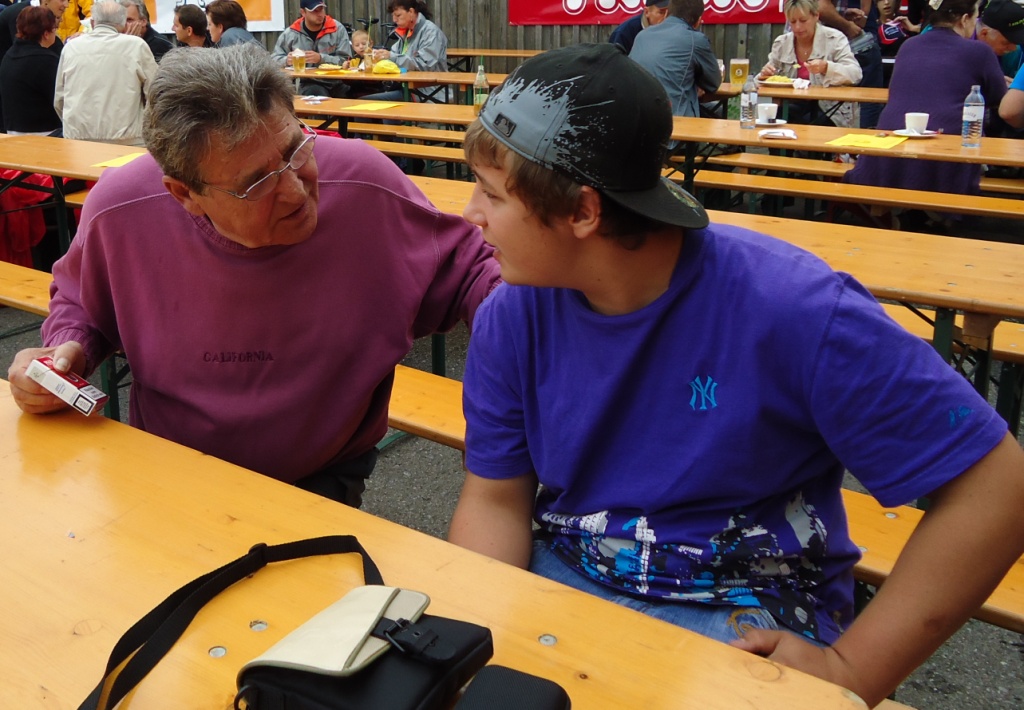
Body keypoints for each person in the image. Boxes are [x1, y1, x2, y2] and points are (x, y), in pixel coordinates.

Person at [447, 42, 1024, 709]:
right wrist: (471, 643)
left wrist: (851, 671)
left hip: (744, 611)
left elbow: (998, 487)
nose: (470, 214)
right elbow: (495, 502)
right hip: (565, 577)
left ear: (582, 211)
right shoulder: (512, 314)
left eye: (491, 193)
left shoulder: (795, 308)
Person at [8, 44, 499, 509]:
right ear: (184, 194)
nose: (295, 191)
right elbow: (81, 302)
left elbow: (474, 272)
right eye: (257, 183)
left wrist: (522, 341)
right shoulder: (121, 209)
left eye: (295, 151)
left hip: (323, 477)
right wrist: (66, 353)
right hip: (169, 470)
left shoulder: (364, 184)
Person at [843, 0, 1006, 227]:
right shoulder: (979, 51)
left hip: (889, 146)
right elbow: (1000, 98)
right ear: (964, 19)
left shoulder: (909, 46)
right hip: (946, 149)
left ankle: (916, 215)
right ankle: (933, 217)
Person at [54, 0, 155, 145]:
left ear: (92, 22)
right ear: (123, 24)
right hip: (128, 138)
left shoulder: (71, 48)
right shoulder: (137, 45)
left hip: (78, 138)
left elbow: (59, 98)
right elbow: (154, 92)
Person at [758, 0, 863, 126]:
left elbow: (855, 74)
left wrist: (827, 68)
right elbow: (759, 81)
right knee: (776, 121)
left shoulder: (835, 39)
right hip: (791, 107)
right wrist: (764, 76)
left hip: (829, 110)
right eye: (793, 22)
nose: (797, 27)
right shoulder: (782, 43)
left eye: (803, 21)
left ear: (816, 16)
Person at [628, 0, 720, 118]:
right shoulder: (695, 40)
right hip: (673, 119)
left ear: (667, 13)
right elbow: (713, 84)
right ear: (698, 22)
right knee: (717, 112)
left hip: (637, 118)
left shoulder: (642, 36)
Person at [0, 0, 66, 132]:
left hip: (12, 128)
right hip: (42, 132)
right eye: (55, 29)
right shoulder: (44, 61)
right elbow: (61, 100)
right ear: (46, 34)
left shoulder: (9, 56)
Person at [817, 0, 885, 127]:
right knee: (868, 98)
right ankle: (865, 136)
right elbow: (821, 8)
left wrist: (846, 15)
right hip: (833, 44)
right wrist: (849, 25)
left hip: (831, 43)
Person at [271, 0, 351, 97]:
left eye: (321, 9)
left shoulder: (337, 29)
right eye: (314, 11)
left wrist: (321, 59)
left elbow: (346, 60)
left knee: (358, 96)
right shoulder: (291, 33)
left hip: (336, 82)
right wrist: (286, 60)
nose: (320, 14)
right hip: (307, 83)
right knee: (316, 94)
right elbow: (273, 61)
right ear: (303, 12)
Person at [369, 0, 447, 74]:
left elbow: (425, 65)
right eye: (393, 16)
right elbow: (394, 54)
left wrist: (391, 56)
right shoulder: (406, 32)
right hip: (406, 81)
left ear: (411, 12)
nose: (394, 20)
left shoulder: (431, 32)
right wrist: (380, 56)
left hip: (429, 83)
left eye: (398, 15)